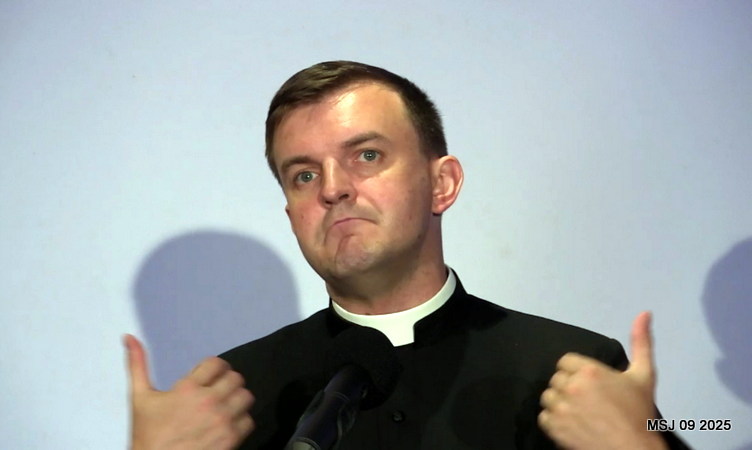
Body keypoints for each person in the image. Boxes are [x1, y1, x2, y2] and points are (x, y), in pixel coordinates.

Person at [124, 61, 690, 449]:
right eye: (304, 175)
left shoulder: (573, 370)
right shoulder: (234, 399)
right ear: (292, 214)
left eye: (366, 155)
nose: (332, 188)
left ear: (442, 184)